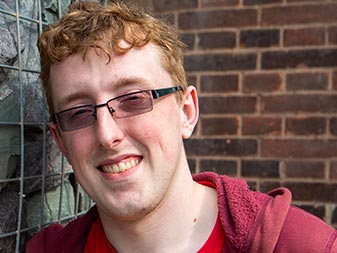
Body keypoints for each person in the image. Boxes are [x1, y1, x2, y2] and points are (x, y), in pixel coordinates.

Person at [26, 1, 337, 252]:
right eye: (79, 113)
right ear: (61, 141)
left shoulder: (303, 245)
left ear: (187, 111)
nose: (107, 135)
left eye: (134, 99)